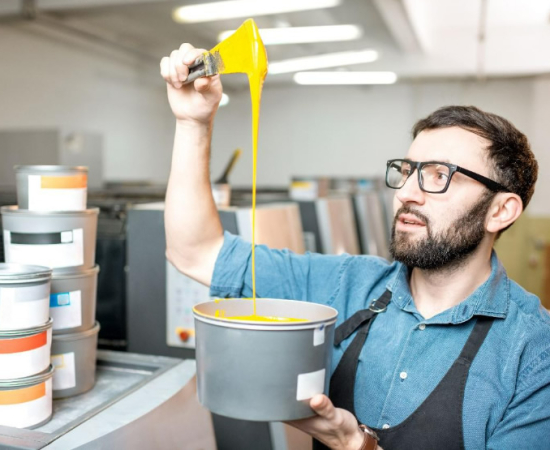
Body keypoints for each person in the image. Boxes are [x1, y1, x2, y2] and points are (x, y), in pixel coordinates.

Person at [160, 44, 550, 450]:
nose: (407, 194)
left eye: (439, 175)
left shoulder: (534, 352)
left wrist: (357, 446)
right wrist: (193, 123)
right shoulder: (348, 284)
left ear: (501, 211)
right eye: (407, 171)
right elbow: (195, 251)